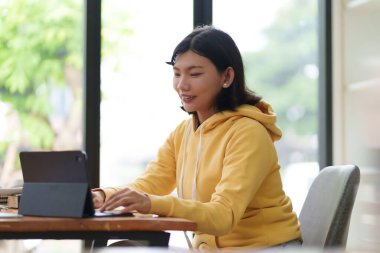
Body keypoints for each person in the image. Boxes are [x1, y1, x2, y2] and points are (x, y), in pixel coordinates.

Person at [92, 25, 302, 250]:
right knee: (122, 249)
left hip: (265, 249)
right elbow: (150, 184)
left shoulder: (249, 133)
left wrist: (150, 203)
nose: (182, 85)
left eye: (195, 74)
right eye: (176, 73)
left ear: (227, 77)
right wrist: (103, 196)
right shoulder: (183, 133)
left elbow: (223, 215)